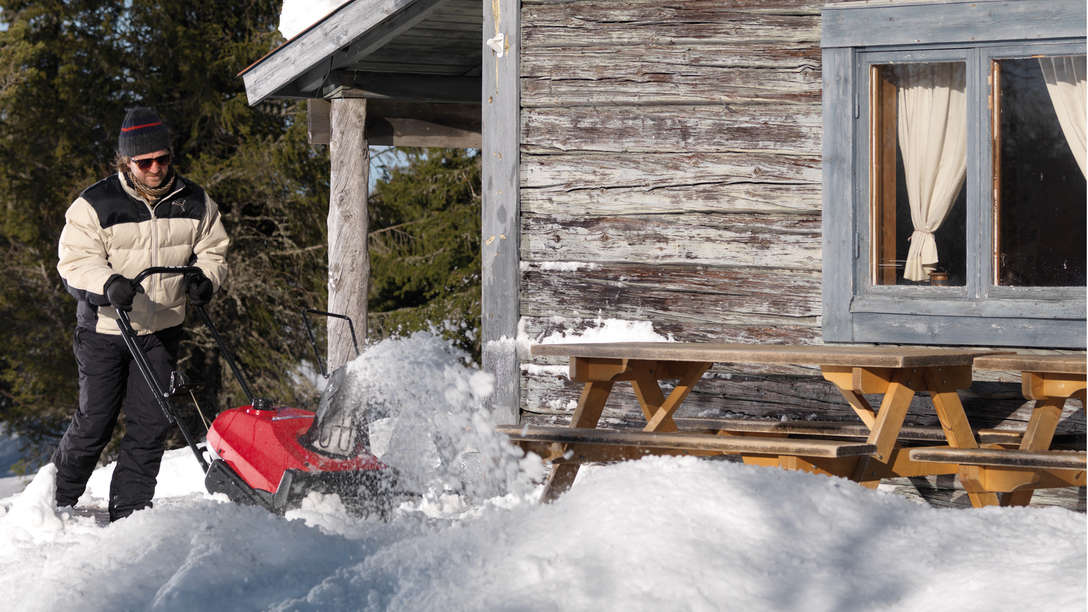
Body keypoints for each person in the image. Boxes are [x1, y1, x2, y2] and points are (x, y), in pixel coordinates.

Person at [53, 106, 229, 521]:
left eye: (161, 159)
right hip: (105, 329)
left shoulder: (194, 200)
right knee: (95, 422)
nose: (155, 169)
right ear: (126, 162)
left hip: (161, 329)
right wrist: (108, 283)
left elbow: (214, 250)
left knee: (151, 423)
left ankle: (130, 512)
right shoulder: (95, 204)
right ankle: (55, 501)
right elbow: (74, 261)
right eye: (144, 162)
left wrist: (206, 278)